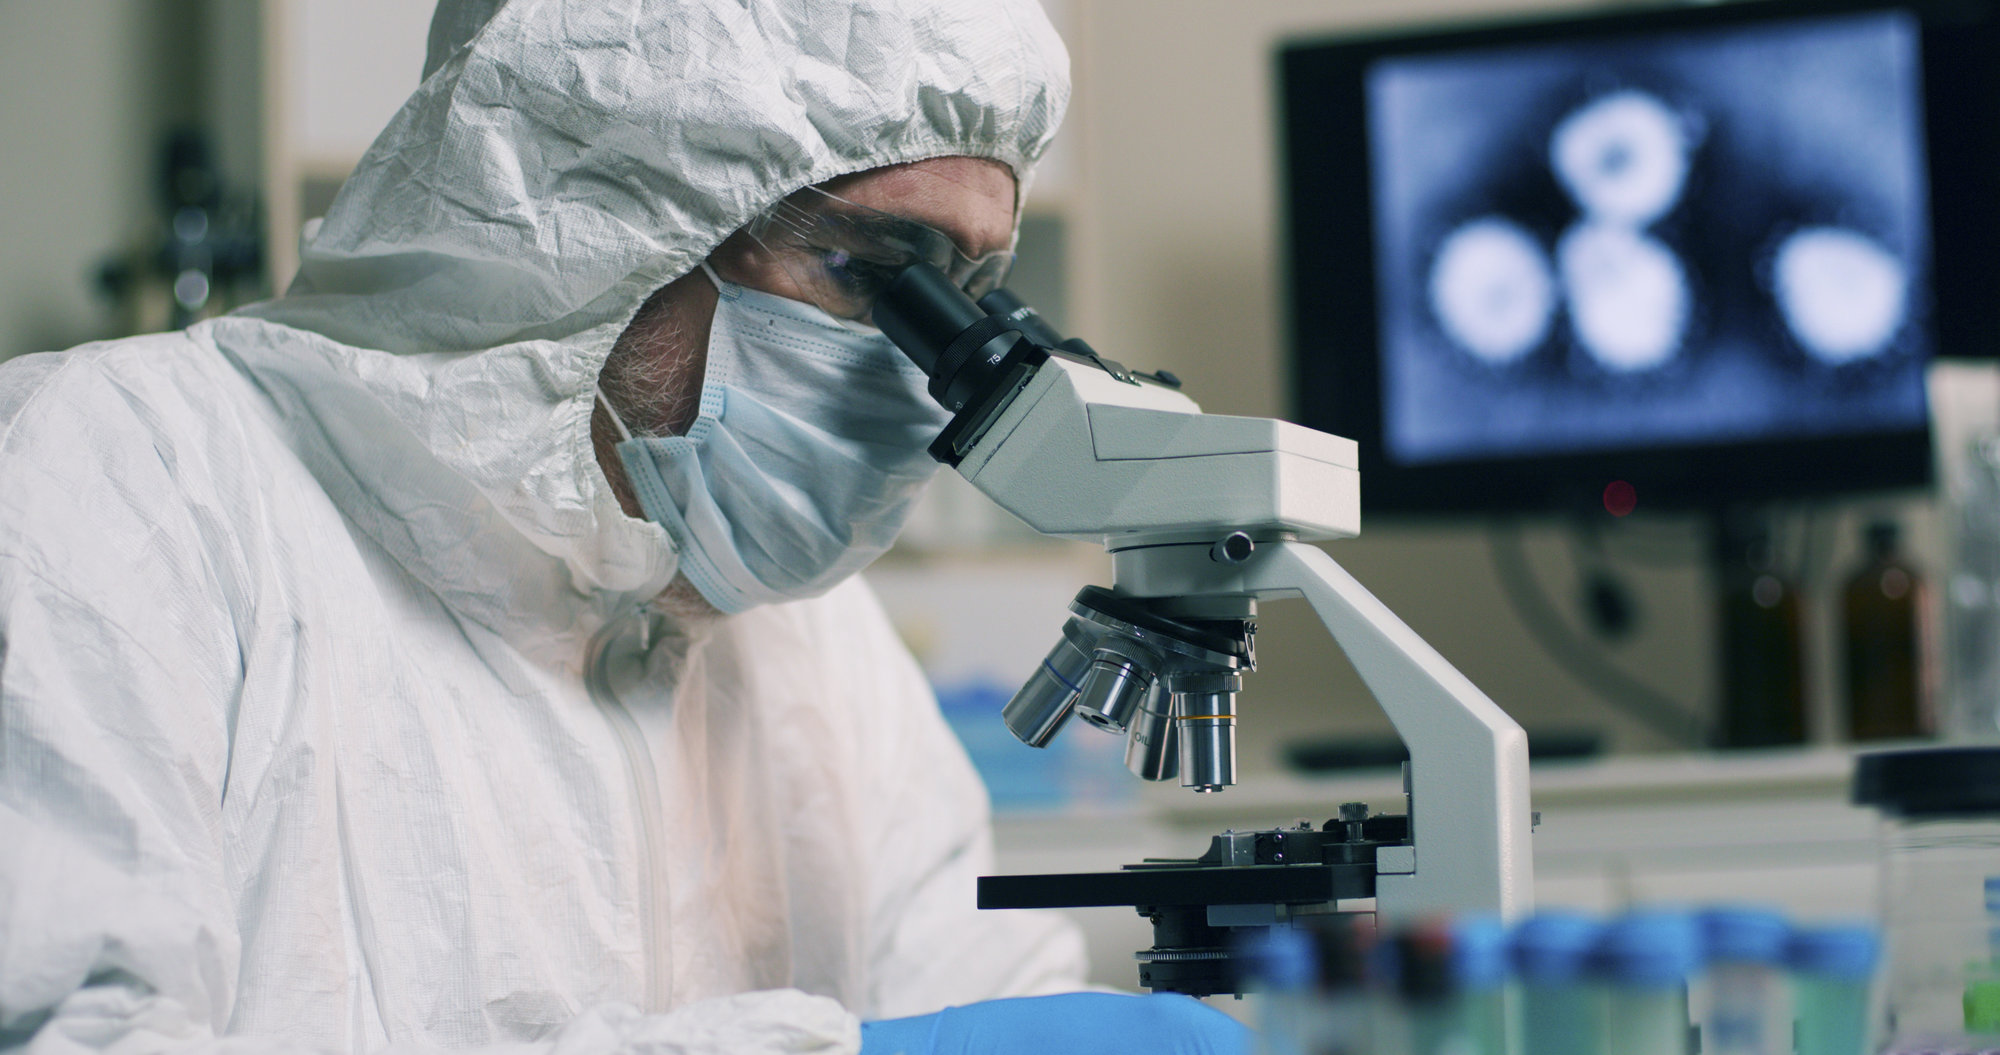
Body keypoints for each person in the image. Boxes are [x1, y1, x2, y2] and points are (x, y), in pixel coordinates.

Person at [0, 1, 1249, 1054]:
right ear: (611, 218)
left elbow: (966, 981)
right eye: (880, 270)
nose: (923, 368)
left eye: (968, 291)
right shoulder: (126, 479)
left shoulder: (822, 638)